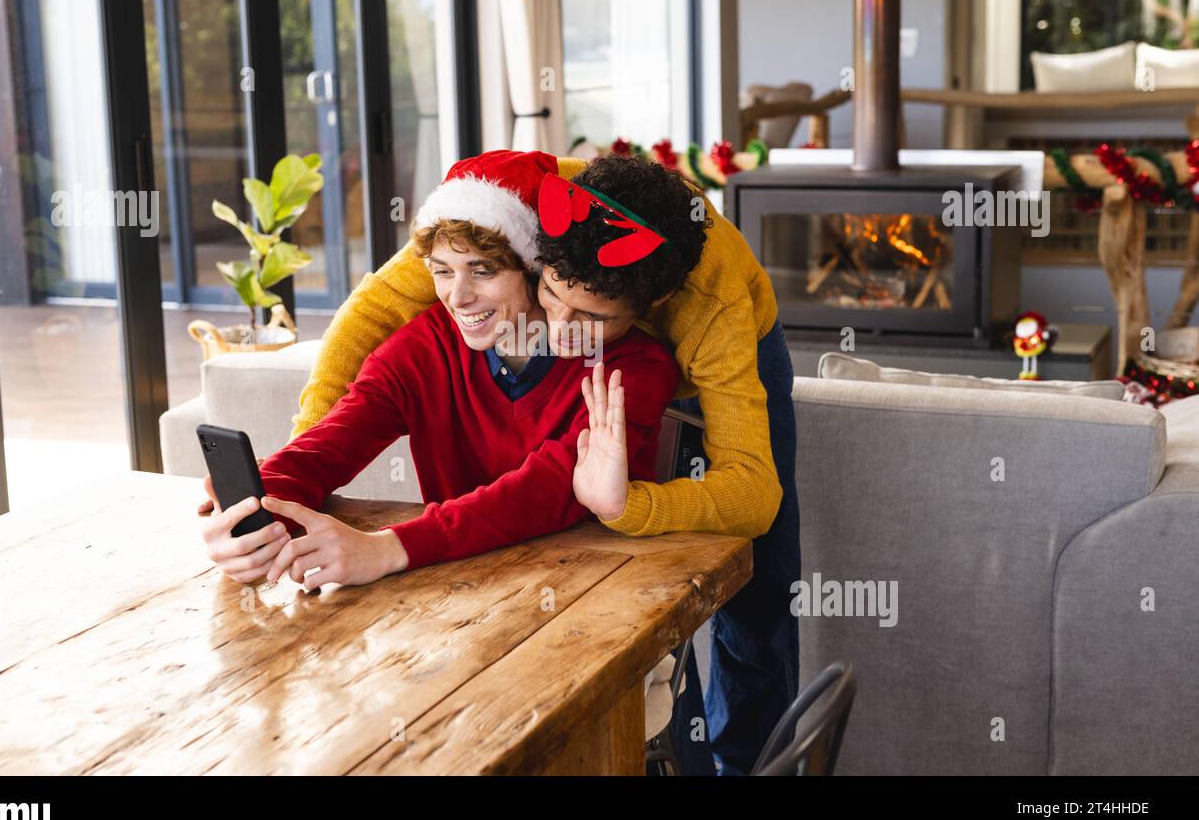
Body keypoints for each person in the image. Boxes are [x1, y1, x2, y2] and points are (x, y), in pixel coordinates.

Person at [293, 150, 798, 776]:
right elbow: (364, 322)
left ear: (656, 301)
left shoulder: (708, 304)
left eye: (586, 318)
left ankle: (746, 765)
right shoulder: (502, 217)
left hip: (731, 336)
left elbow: (753, 494)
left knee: (762, 575)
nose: (558, 333)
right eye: (550, 293)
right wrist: (292, 485)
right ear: (537, 255)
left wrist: (630, 504)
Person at [198, 150, 685, 591]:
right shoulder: (423, 347)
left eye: (483, 271)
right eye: (443, 271)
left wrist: (389, 548)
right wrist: (254, 515)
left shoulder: (633, 364)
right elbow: (326, 448)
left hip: (598, 593)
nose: (457, 296)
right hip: (454, 592)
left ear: (539, 270)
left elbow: (545, 489)